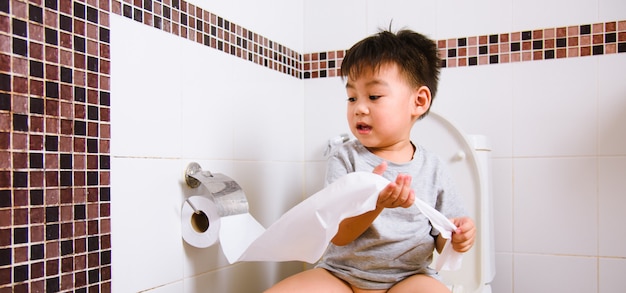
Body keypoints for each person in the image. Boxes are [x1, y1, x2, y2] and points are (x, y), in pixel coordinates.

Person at [265, 28, 476, 293]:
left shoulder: (433, 169)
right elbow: (339, 236)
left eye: (374, 96)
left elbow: (443, 240)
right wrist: (374, 204)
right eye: (352, 97)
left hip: (409, 278)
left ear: (418, 101)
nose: (359, 108)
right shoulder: (345, 159)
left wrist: (460, 237)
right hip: (341, 276)